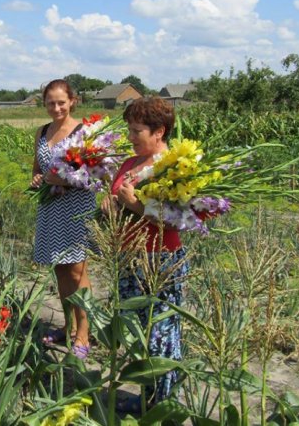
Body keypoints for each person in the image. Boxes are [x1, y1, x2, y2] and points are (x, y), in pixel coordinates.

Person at [103, 96, 188, 412]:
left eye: (137, 131)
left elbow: (180, 219)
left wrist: (135, 205)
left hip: (160, 259)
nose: (130, 137)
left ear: (159, 131)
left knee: (160, 334)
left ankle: (162, 406)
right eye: (129, 129)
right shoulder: (129, 163)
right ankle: (146, 399)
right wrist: (111, 204)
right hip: (129, 258)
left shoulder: (173, 167)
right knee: (136, 332)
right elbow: (116, 198)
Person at [30, 79, 95, 360]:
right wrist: (35, 179)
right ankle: (68, 325)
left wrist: (65, 181)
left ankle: (84, 331)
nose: (56, 108)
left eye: (61, 102)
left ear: (72, 101)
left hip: (76, 207)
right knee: (60, 269)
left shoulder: (84, 132)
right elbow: (38, 168)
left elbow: (96, 176)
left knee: (77, 271)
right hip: (51, 208)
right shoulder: (42, 132)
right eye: (50, 103)